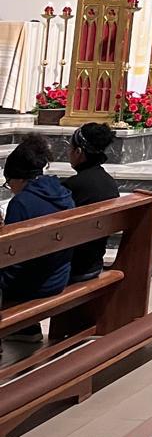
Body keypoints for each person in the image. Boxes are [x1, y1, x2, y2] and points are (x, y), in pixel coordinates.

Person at [1, 138, 77, 325]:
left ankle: (23, 329)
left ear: (19, 178)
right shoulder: (62, 193)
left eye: (8, 182)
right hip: (59, 275)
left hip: (36, 284)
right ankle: (28, 330)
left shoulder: (21, 203)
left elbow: (12, 260)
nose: (10, 188)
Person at [63, 122, 121, 282]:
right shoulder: (109, 183)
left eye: (70, 147)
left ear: (79, 152)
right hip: (94, 264)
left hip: (72, 269)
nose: (68, 152)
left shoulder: (73, 186)